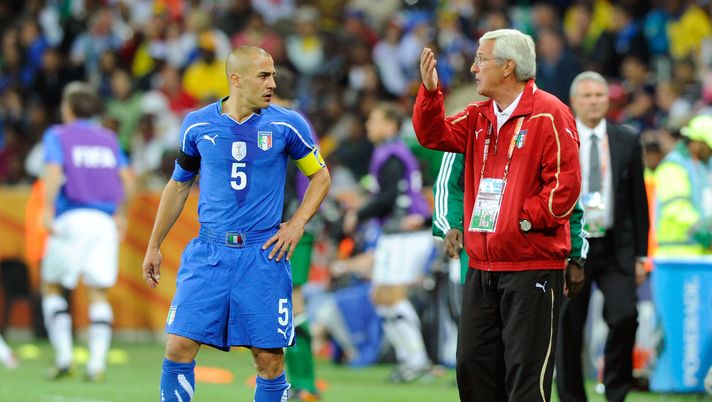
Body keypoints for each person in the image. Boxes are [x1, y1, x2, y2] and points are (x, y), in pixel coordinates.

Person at [141, 46, 330, 402]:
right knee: (178, 345)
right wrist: (154, 245)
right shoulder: (198, 124)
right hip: (209, 252)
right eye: (264, 76)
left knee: (269, 360)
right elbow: (179, 185)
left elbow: (320, 177)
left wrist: (296, 225)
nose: (272, 83)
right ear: (236, 79)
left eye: (273, 75)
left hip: (263, 254)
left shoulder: (287, 124)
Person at [414, 29, 583, 401]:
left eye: (481, 59)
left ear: (508, 67)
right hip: (483, 266)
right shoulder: (479, 115)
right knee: (472, 367)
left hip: (530, 265)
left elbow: (565, 186)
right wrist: (429, 93)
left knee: (526, 374)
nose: (473, 67)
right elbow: (433, 136)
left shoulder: (551, 114)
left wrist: (522, 219)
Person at [556, 71, 650, 402]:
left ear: (608, 100)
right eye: (588, 96)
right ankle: (571, 397)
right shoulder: (561, 137)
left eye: (600, 95)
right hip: (571, 246)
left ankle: (616, 391)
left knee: (626, 315)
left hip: (615, 247)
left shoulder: (625, 138)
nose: (595, 101)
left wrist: (641, 254)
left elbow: (639, 200)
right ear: (574, 101)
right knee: (568, 325)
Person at [41, 81, 132, 381]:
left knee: (52, 286)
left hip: (72, 217)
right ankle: (96, 364)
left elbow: (54, 171)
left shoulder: (59, 135)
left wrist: (45, 209)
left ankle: (65, 357)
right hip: (104, 222)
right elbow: (128, 180)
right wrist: (122, 215)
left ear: (68, 107)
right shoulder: (108, 138)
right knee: (98, 293)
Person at [343, 103, 434, 383]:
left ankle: (418, 362)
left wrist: (359, 213)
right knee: (380, 297)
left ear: (391, 126)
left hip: (406, 230)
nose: (369, 124)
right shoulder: (387, 153)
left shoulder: (393, 154)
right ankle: (409, 360)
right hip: (394, 232)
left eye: (374, 119)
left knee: (393, 295)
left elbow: (391, 195)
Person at [433, 152, 589, 287]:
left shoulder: (544, 121)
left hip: (530, 264)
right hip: (477, 265)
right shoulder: (469, 122)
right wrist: (451, 226)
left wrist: (576, 255)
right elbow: (448, 186)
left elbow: (566, 191)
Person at [271, 67, 321, 401]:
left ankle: (304, 384)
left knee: (292, 302)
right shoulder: (294, 121)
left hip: (292, 227)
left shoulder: (286, 123)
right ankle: (294, 382)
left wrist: (295, 221)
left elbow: (308, 180)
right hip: (292, 224)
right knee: (284, 303)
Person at [654, 115, 712, 256]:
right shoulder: (674, 166)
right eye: (708, 148)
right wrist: (702, 231)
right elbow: (676, 207)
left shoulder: (702, 166)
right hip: (676, 252)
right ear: (697, 142)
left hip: (701, 251)